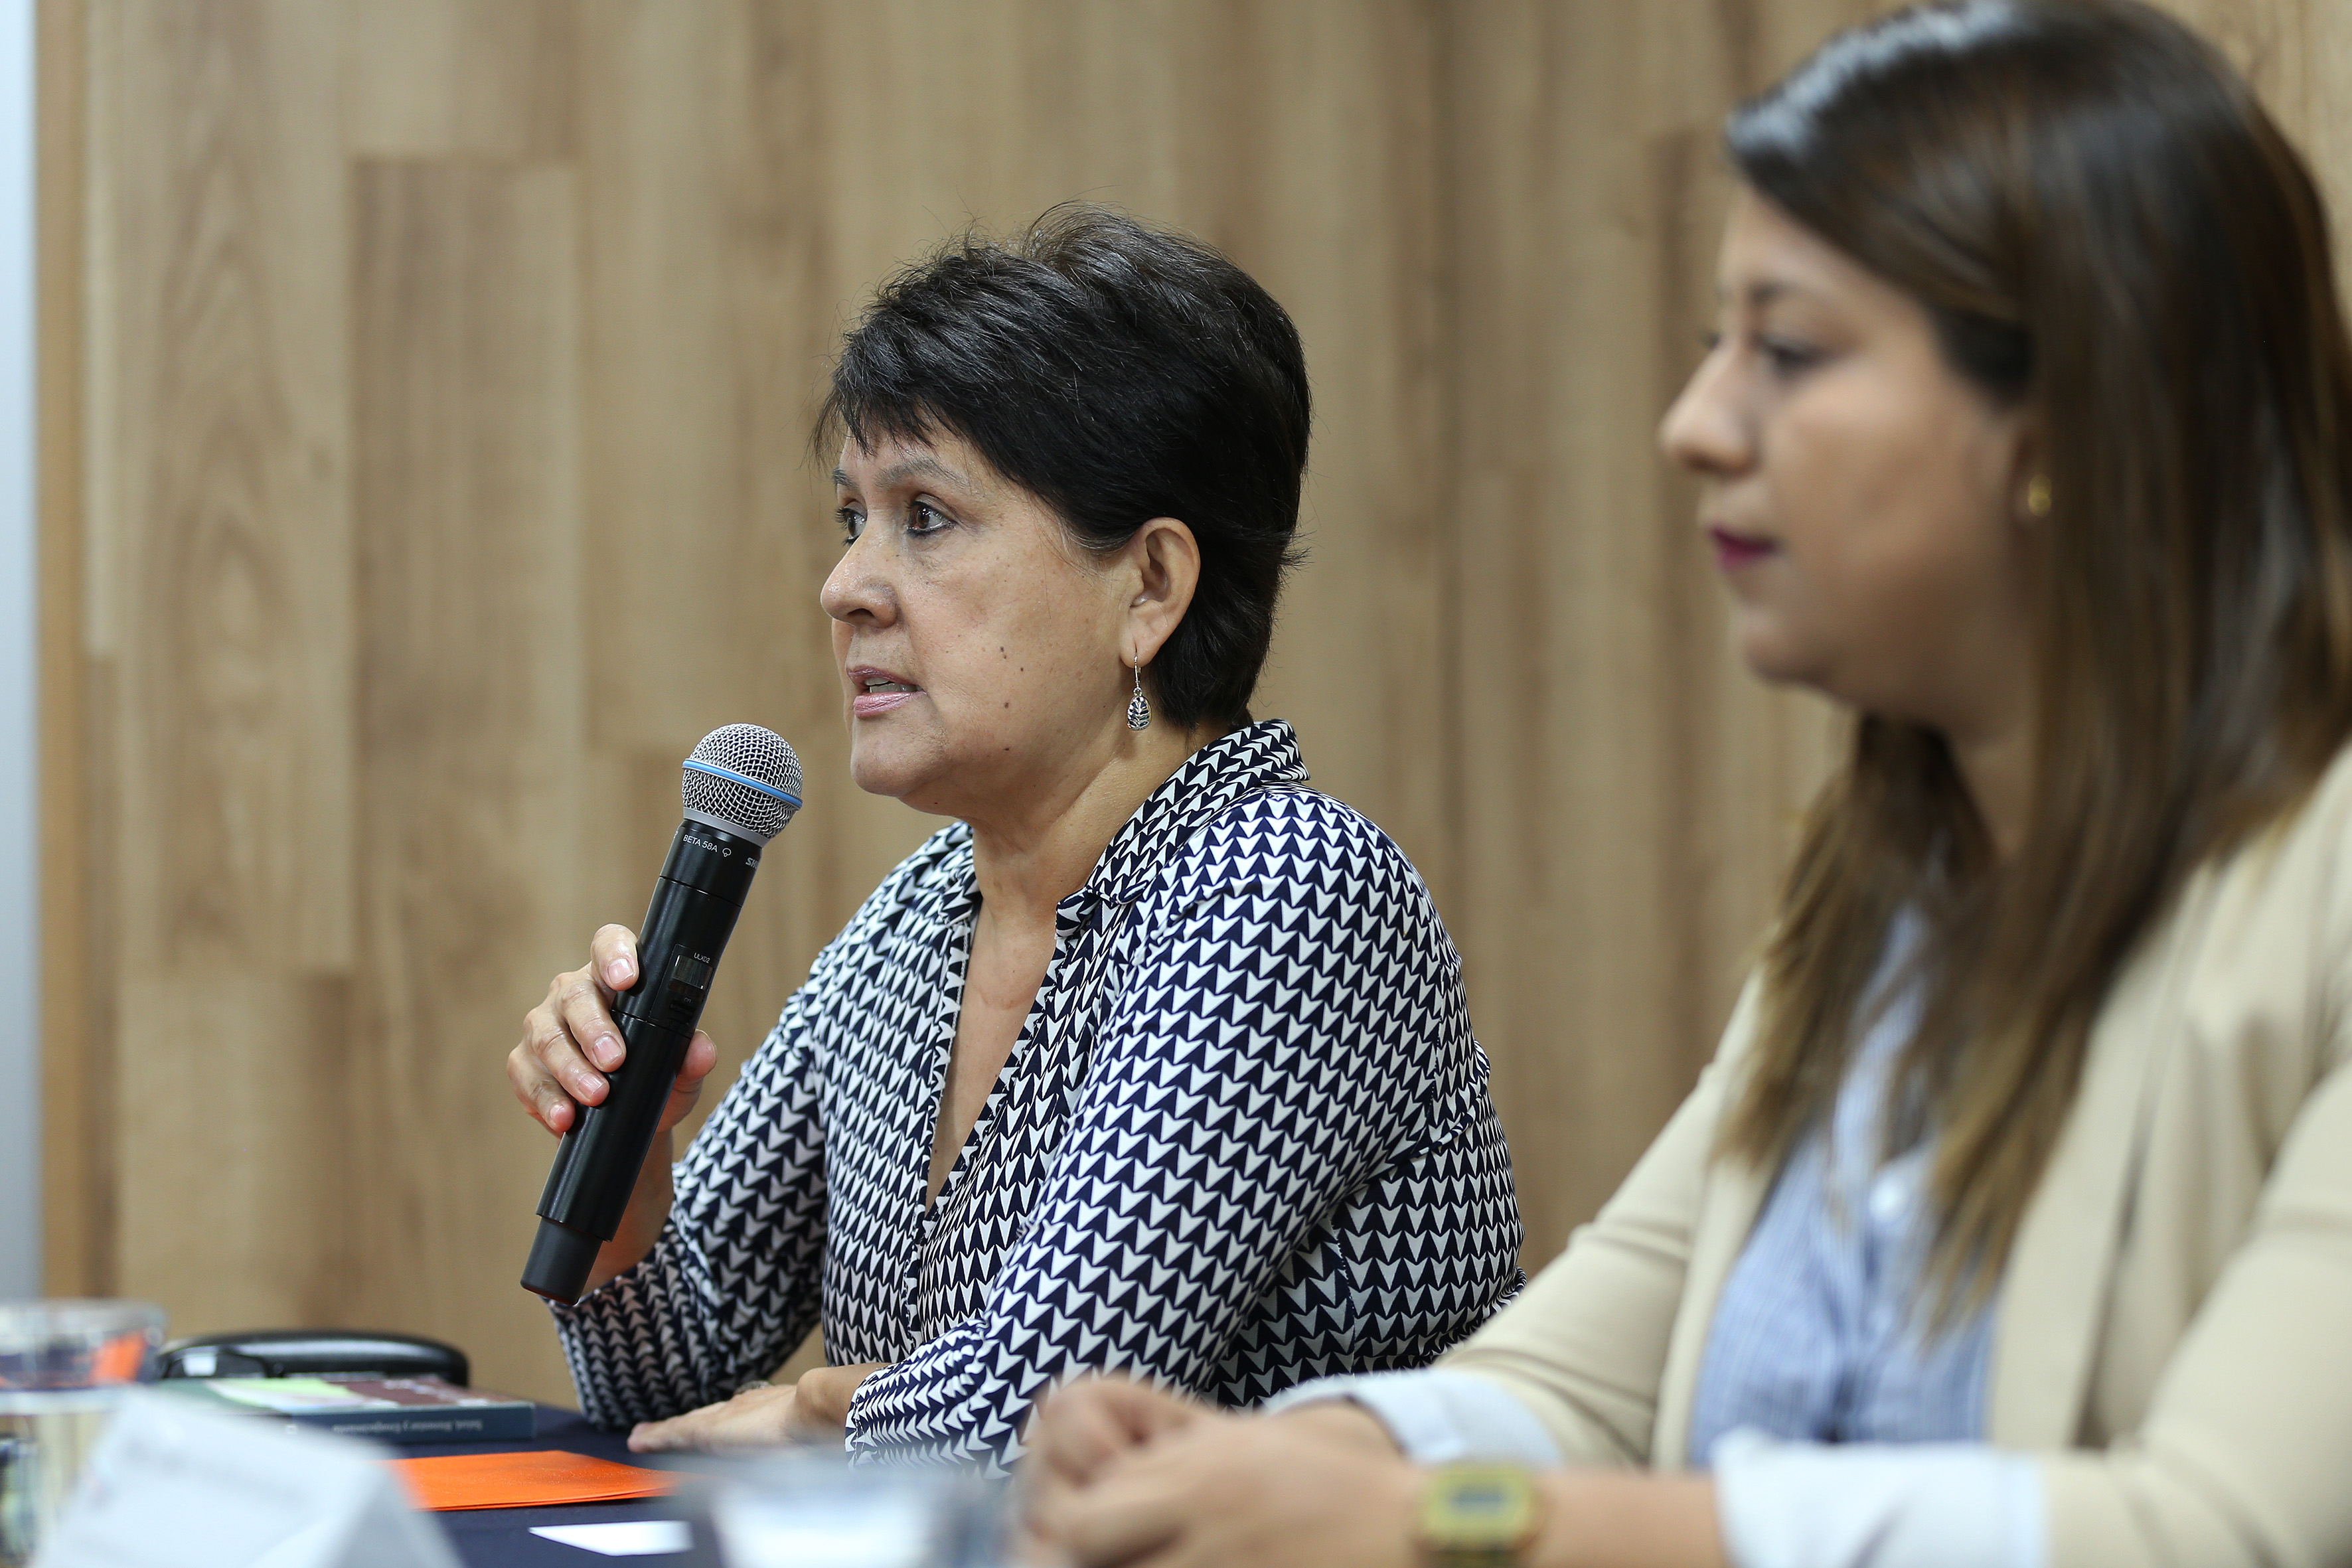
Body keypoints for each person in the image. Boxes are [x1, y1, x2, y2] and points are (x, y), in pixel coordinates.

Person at [1024, 3, 2352, 1563]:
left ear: (2065, 418)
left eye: (1784, 350)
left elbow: (2217, 1527)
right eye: (1715, 343)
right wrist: (1270, 1462)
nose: (1692, 424)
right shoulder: (1878, 892)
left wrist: (1438, 1517)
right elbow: (1577, 1369)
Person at [506, 205, 1524, 1472]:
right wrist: (632, 1156)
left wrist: (820, 1404)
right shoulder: (924, 910)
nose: (848, 586)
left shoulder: (1294, 892)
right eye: (852, 519)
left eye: (924, 517)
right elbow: (665, 1386)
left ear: (1149, 586)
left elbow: (1031, 1421)